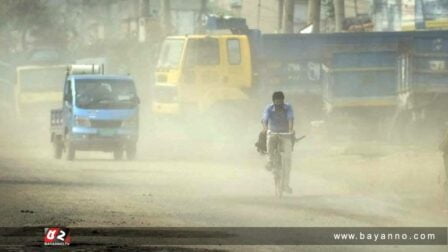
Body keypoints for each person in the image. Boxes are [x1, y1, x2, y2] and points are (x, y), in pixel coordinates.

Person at [262, 91, 295, 194]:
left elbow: (290, 119)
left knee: (288, 160)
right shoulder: (268, 108)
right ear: (273, 102)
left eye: (280, 102)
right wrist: (265, 129)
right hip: (272, 133)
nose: (278, 105)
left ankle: (285, 185)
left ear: (283, 101)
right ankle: (270, 161)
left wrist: (290, 130)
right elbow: (265, 120)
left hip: (285, 134)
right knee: (269, 140)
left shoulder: (288, 107)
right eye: (276, 102)